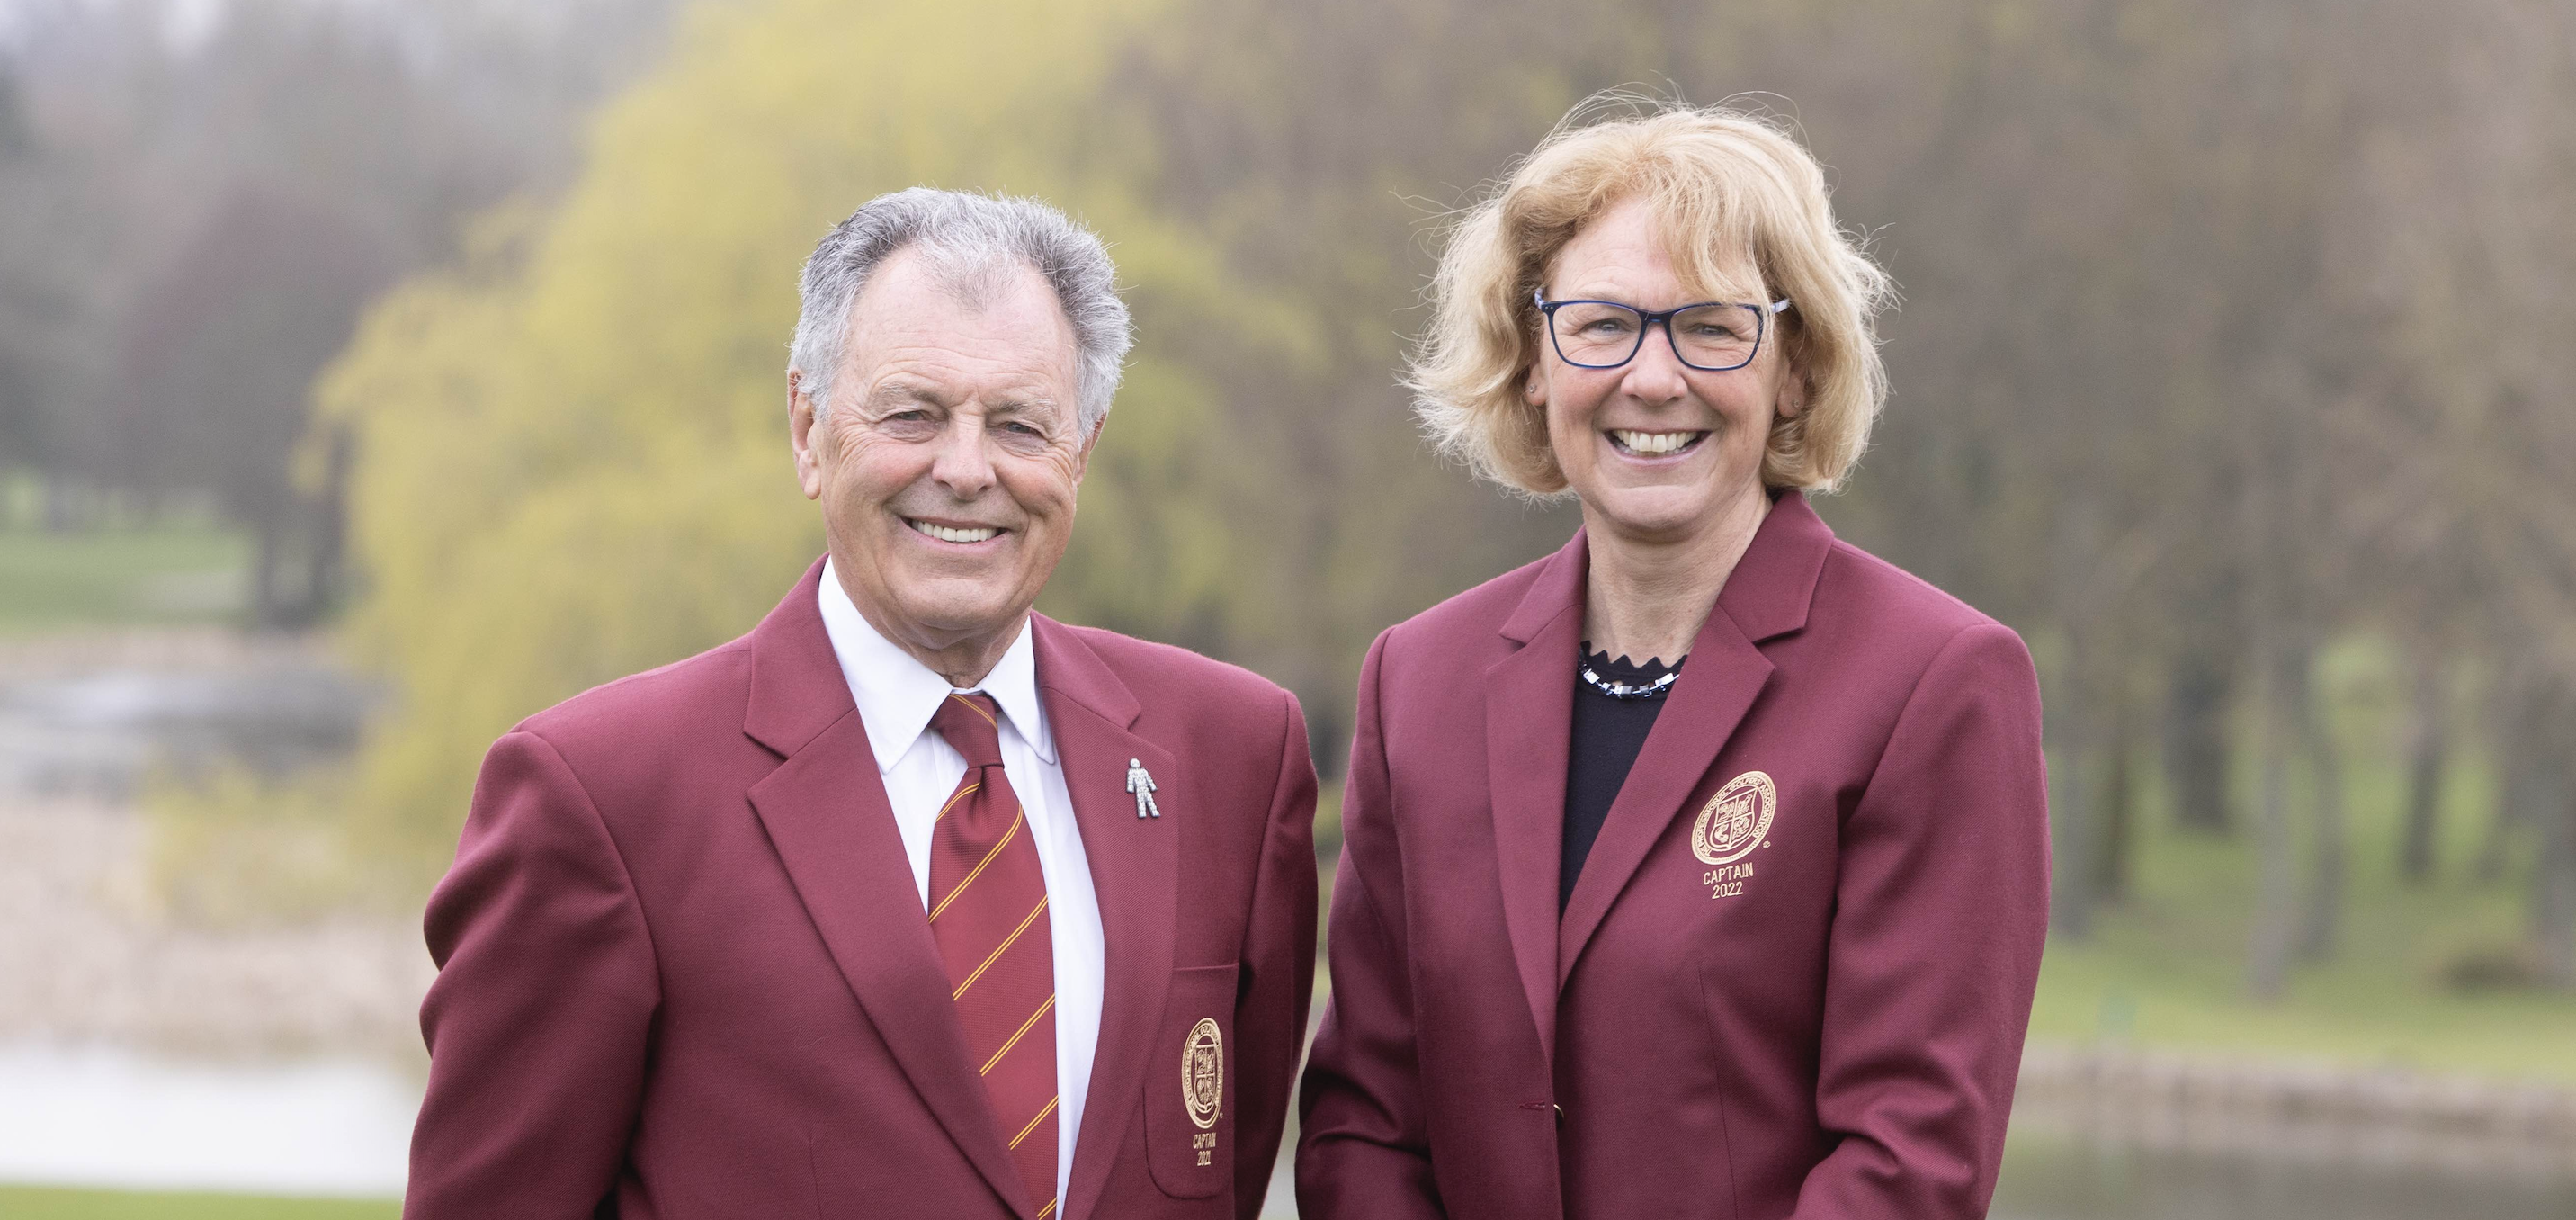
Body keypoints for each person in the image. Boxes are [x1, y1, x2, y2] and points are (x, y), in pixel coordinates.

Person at [407, 188, 1318, 1220]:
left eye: (1019, 424)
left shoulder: (1232, 758)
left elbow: (1231, 1167)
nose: (966, 470)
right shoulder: (602, 796)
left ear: (1084, 450)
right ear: (808, 428)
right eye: (913, 414)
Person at [1296, 101, 2050, 1220]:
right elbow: (1364, 1117)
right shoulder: (1418, 681)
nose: (1651, 379)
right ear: (1533, 364)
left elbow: (1908, 1160)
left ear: (1793, 370)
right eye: (1600, 326)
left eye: (1710, 327)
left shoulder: (1933, 683)